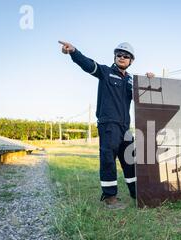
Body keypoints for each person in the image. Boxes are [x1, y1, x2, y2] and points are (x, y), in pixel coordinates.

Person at [59, 40, 154, 209]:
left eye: (126, 56)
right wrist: (74, 51)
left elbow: (145, 97)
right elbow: (87, 64)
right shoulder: (105, 72)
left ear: (131, 61)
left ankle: (136, 193)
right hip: (108, 124)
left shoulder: (133, 80)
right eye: (119, 55)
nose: (122, 57)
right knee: (108, 159)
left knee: (130, 159)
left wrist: (149, 80)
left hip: (125, 127)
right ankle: (110, 198)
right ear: (115, 57)